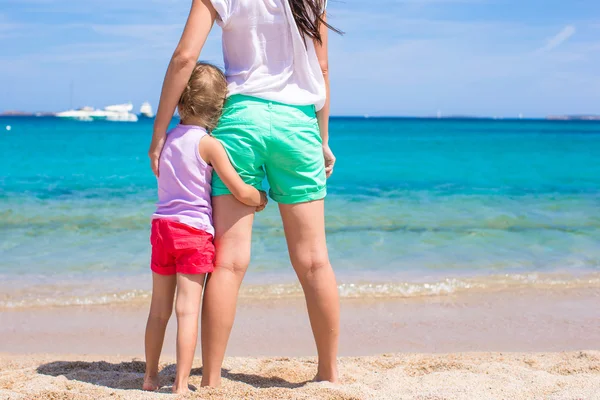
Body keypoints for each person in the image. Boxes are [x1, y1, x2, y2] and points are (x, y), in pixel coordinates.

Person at [148, 0, 342, 388]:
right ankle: (328, 373)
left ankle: (213, 379)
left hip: (238, 123)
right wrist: (321, 138)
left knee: (229, 263)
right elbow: (321, 68)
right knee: (314, 262)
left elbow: (185, 56)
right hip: (297, 123)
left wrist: (159, 135)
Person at [143, 62, 267, 394]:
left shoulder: (167, 139)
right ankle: (181, 384)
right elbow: (239, 189)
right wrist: (259, 197)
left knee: (159, 310)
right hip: (193, 233)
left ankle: (150, 377)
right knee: (187, 310)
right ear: (220, 108)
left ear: (180, 102)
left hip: (162, 228)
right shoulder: (210, 145)